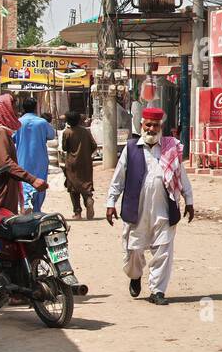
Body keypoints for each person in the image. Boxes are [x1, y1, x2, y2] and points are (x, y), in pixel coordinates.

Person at [106, 107, 194, 305]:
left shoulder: (171, 148)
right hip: (137, 210)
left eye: (155, 125)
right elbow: (118, 178)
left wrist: (189, 201)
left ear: (160, 127)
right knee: (133, 251)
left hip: (164, 209)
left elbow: (181, 175)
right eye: (148, 125)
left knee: (163, 250)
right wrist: (111, 202)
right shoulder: (130, 148)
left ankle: (158, 291)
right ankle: (135, 276)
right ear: (141, 126)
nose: (152, 129)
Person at [15, 97, 56, 213]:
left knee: (23, 181)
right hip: (40, 160)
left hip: (22, 159)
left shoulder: (18, 122)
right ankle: (37, 209)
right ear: (36, 107)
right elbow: (51, 135)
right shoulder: (42, 122)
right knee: (40, 183)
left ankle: (26, 204)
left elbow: (12, 138)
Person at [61, 111, 98, 219]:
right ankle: (88, 199)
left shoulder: (67, 132)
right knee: (85, 184)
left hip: (72, 163)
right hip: (86, 162)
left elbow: (64, 147)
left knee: (73, 187)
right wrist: (86, 154)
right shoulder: (85, 132)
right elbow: (94, 145)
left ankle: (77, 212)